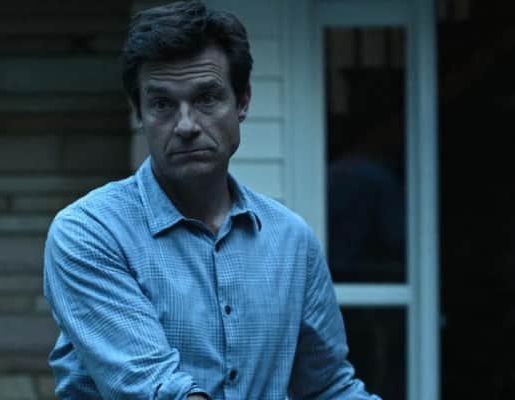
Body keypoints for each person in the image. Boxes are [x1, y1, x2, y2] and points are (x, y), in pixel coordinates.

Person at [43, 1, 380, 399]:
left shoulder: (291, 241)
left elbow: (328, 387)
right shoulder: (91, 232)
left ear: (242, 102)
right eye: (162, 104)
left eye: (206, 98)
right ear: (138, 112)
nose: (186, 125)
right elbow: (157, 390)